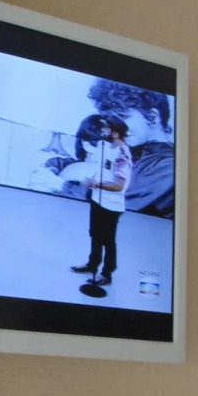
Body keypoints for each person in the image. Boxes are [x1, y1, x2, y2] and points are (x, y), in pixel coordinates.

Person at [87, 79, 175, 219]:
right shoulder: (132, 153)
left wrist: (67, 185)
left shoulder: (168, 167)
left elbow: (113, 207)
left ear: (153, 117)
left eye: (123, 116)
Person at [70, 115, 133, 287]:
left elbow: (119, 185)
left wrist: (96, 184)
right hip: (97, 200)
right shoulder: (105, 146)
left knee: (108, 241)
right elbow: (103, 171)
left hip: (111, 206)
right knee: (95, 235)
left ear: (115, 133)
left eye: (106, 128)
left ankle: (107, 274)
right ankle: (92, 264)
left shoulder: (122, 156)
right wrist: (93, 180)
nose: (102, 130)